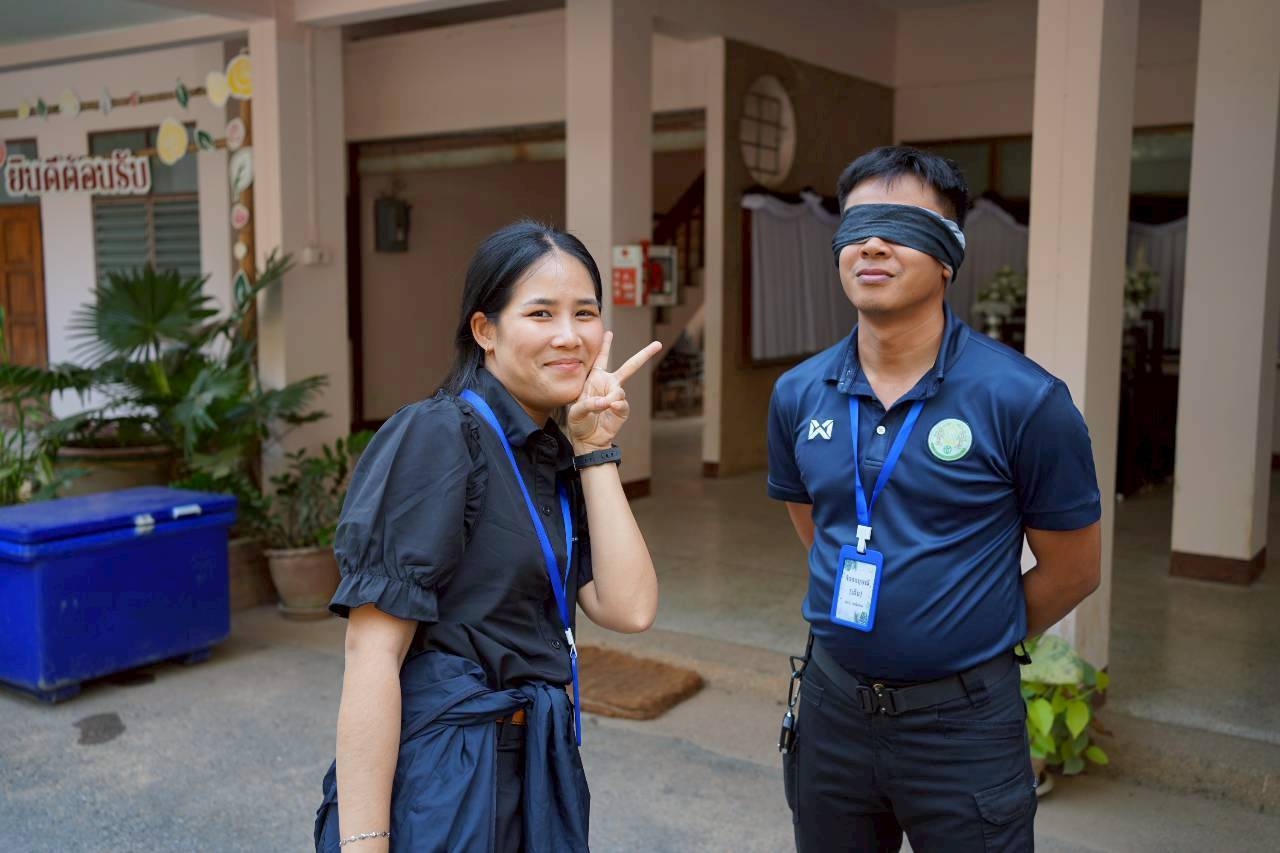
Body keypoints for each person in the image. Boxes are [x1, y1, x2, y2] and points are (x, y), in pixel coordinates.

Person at [768, 146, 1102, 852]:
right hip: (832, 711)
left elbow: (1074, 569)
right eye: (857, 227)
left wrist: (968, 637)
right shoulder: (797, 394)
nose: (872, 245)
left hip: (964, 728)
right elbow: (819, 528)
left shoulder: (1025, 400)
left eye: (899, 226)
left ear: (948, 254)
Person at [314, 220, 662, 852]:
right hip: (451, 773)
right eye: (541, 313)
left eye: (585, 313)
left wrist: (594, 449)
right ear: (485, 331)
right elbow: (371, 654)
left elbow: (628, 607)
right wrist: (363, 842)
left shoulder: (552, 450)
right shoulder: (438, 436)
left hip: (534, 765)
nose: (569, 335)